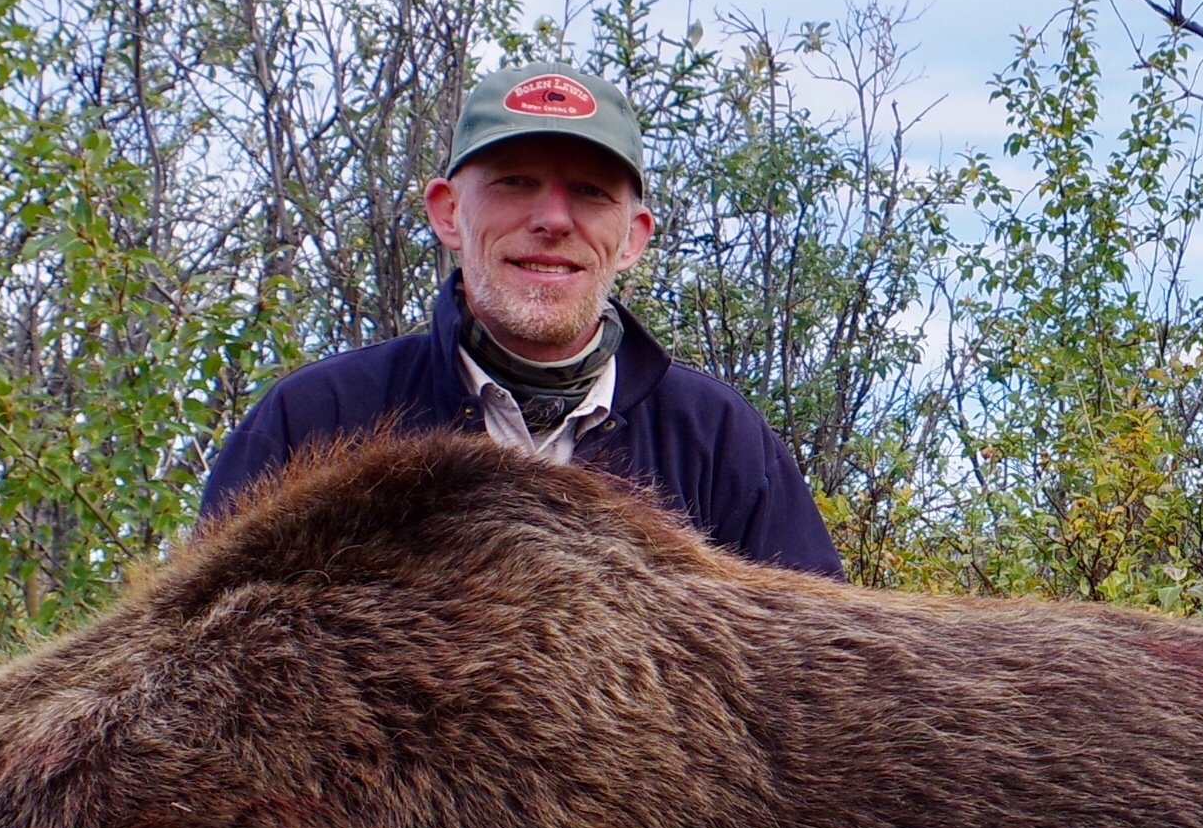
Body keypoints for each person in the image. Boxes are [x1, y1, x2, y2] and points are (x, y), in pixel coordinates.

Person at [200, 63, 843, 575]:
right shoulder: (313, 422)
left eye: (591, 192)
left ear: (633, 237)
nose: (554, 220)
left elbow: (819, 690)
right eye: (514, 182)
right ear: (448, 212)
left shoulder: (720, 444)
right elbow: (199, 673)